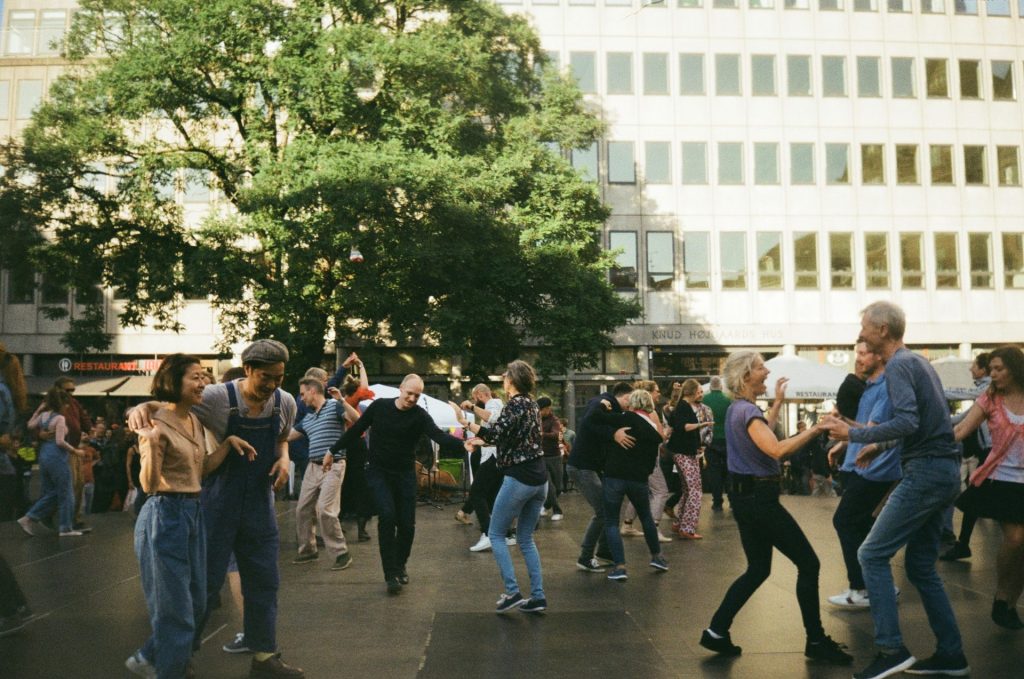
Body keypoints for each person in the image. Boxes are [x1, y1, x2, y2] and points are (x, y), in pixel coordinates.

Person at [130, 339, 303, 678]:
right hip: (217, 503)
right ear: (248, 369)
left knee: (264, 582)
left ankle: (265, 656)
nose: (271, 385)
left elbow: (282, 438)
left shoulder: (285, 402)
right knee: (203, 589)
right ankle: (175, 657)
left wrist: (283, 459)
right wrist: (142, 407)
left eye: (279, 378)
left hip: (258, 504)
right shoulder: (217, 397)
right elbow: (170, 405)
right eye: (265, 377)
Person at [821, 301, 967, 679]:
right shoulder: (919, 362)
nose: (861, 333)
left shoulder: (899, 365)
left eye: (865, 327)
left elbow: (906, 420)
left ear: (883, 330)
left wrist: (853, 434)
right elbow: (927, 422)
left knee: (871, 554)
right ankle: (952, 655)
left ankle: (890, 649)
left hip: (924, 472)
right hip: (944, 470)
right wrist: (877, 444)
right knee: (920, 568)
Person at [700, 350, 852, 667]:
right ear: (745, 376)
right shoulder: (746, 411)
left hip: (746, 499)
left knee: (758, 569)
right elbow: (776, 449)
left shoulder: (737, 410)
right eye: (759, 367)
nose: (766, 371)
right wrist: (817, 428)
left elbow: (762, 437)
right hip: (760, 500)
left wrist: (778, 405)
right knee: (808, 564)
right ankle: (815, 640)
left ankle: (716, 630)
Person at [125, 354, 255, 679]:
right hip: (164, 513)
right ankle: (171, 670)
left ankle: (147, 656)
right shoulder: (154, 424)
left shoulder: (194, 420)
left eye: (204, 376)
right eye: (195, 377)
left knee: (198, 603)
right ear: (173, 381)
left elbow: (203, 469)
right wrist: (151, 446)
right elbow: (149, 485)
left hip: (194, 512)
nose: (203, 383)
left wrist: (227, 443)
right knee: (176, 613)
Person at [330, 374, 465, 595]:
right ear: (400, 389)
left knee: (407, 525)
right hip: (379, 472)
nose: (412, 398)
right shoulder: (380, 407)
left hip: (404, 474)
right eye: (409, 393)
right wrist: (332, 450)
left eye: (416, 395)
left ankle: (400, 564)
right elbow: (356, 429)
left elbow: (439, 436)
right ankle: (390, 573)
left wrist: (465, 444)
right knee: (387, 515)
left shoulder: (420, 416)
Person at [457, 360, 549, 613]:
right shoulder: (531, 404)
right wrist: (479, 439)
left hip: (519, 478)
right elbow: (509, 438)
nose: (503, 378)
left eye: (506, 375)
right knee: (526, 539)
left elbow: (494, 434)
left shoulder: (515, 404)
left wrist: (466, 425)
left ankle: (512, 592)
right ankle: (538, 596)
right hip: (540, 479)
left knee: (496, 535)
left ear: (512, 380)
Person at [950, 345, 1024, 630]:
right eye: (990, 369)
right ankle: (1001, 594)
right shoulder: (990, 398)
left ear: (1015, 369)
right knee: (1016, 539)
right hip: (1002, 481)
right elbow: (959, 430)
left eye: (998, 369)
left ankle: (1009, 603)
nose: (993, 374)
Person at [826, 341, 902, 610]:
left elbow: (875, 432)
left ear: (879, 355)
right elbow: (866, 430)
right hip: (861, 465)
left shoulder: (885, 388)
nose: (857, 359)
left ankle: (862, 588)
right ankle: (876, 585)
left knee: (845, 521)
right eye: (856, 353)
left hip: (875, 469)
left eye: (863, 353)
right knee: (860, 525)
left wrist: (843, 428)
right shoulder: (870, 387)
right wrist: (844, 442)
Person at [588, 389, 670, 581]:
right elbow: (653, 460)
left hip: (614, 477)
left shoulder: (622, 418)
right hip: (639, 480)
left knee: (611, 522)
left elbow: (594, 418)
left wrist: (603, 404)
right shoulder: (652, 430)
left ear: (632, 403)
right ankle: (657, 557)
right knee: (646, 518)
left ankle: (620, 566)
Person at [565, 381, 636, 573]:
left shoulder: (612, 409)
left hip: (589, 467)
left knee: (610, 506)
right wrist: (614, 434)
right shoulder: (604, 401)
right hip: (582, 467)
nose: (631, 406)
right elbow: (588, 420)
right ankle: (585, 557)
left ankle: (604, 552)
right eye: (631, 401)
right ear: (626, 397)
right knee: (604, 510)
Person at [287, 377, 353, 571]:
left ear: (313, 391)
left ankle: (341, 553)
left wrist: (342, 400)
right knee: (302, 509)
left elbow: (357, 420)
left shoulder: (334, 406)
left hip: (334, 465)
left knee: (325, 509)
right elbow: (286, 436)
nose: (301, 398)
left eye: (302, 394)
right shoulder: (307, 418)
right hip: (312, 467)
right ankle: (308, 550)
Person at [942, 352, 993, 561]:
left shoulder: (989, 388)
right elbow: (968, 418)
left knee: (973, 498)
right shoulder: (989, 392)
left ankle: (963, 544)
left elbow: (966, 410)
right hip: (990, 453)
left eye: (974, 365)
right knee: (974, 497)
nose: (971, 369)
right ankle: (962, 544)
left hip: (994, 453)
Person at [18, 388, 87, 538]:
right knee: (66, 492)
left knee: (52, 492)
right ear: (62, 403)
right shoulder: (60, 419)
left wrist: (38, 409)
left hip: (44, 455)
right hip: (57, 456)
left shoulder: (43, 416)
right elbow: (60, 441)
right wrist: (76, 451)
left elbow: (30, 425)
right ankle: (64, 527)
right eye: (67, 404)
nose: (68, 407)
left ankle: (30, 517)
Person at [456, 384, 506, 553]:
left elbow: (491, 417)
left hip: (493, 458)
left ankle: (489, 534)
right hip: (493, 457)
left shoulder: (494, 403)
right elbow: (488, 433)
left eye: (474, 397)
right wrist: (475, 440)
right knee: (491, 498)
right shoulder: (492, 406)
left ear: (479, 394)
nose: (474, 401)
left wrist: (471, 408)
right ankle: (504, 534)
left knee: (477, 493)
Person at [666, 379, 714, 540]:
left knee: (687, 490)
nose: (701, 394)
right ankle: (687, 527)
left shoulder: (681, 407)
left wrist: (697, 444)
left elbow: (675, 428)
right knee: (695, 490)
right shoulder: (684, 408)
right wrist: (702, 424)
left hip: (684, 451)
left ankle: (680, 523)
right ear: (691, 392)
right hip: (684, 453)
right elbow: (684, 427)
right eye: (699, 391)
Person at [702, 376, 732, 511]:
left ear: (710, 386)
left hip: (710, 440)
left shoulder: (704, 400)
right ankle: (732, 500)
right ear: (721, 386)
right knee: (728, 471)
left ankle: (717, 502)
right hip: (727, 440)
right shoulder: (728, 400)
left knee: (714, 472)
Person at [537, 397, 564, 521]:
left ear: (547, 409)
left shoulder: (554, 420)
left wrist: (542, 434)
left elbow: (555, 434)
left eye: (541, 410)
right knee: (550, 486)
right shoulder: (535, 419)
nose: (540, 412)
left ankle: (546, 505)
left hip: (555, 457)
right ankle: (557, 510)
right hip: (542, 457)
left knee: (558, 487)